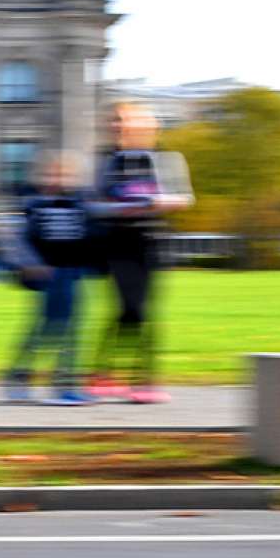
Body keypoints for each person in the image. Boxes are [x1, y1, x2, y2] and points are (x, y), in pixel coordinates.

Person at [88, 103, 193, 403]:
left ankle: (117, 375)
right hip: (117, 241)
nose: (117, 127)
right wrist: (120, 208)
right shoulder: (106, 163)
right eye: (114, 122)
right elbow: (91, 203)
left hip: (151, 240)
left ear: (145, 127)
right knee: (133, 307)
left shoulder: (166, 160)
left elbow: (185, 198)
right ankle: (137, 377)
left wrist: (156, 202)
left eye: (124, 122)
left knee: (140, 309)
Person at [1, 152, 95, 405]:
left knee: (72, 330)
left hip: (73, 274)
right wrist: (30, 264)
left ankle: (65, 384)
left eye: (65, 174)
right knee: (44, 329)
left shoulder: (80, 204)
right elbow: (16, 239)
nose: (60, 180)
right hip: (48, 275)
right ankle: (18, 377)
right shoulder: (35, 206)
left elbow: (89, 237)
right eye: (54, 174)